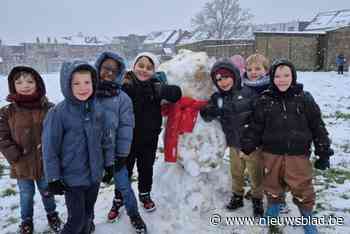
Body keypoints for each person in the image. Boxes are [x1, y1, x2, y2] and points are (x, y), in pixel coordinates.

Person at [241, 59, 334, 234]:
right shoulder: (265, 100)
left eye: (286, 75)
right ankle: (274, 208)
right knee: (272, 183)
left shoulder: (304, 99)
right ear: (271, 78)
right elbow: (256, 126)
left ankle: (307, 217)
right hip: (271, 153)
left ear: (293, 76)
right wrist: (247, 145)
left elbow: (317, 126)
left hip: (298, 155)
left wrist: (323, 152)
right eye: (277, 76)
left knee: (302, 186)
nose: (282, 80)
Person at [42, 61, 114, 234]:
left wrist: (109, 164)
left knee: (88, 214)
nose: (83, 88)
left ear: (93, 83)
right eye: (76, 83)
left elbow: (106, 139)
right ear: (67, 85)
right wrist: (53, 178)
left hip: (94, 176)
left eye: (87, 82)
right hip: (72, 178)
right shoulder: (58, 113)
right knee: (76, 220)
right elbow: (49, 148)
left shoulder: (98, 109)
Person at [0, 66, 61, 234]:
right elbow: (2, 136)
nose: (24, 85)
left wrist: (55, 155)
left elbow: (59, 133)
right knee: (26, 195)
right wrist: (13, 155)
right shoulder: (7, 111)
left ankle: (52, 215)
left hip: (45, 163)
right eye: (18, 82)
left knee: (47, 192)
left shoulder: (49, 108)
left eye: (29, 81)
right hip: (21, 164)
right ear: (13, 86)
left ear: (38, 83)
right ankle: (26, 221)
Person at [199, 58, 263, 217]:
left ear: (234, 76)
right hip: (234, 144)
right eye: (218, 79)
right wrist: (210, 112)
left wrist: (253, 137)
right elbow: (206, 114)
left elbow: (259, 117)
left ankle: (257, 198)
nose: (223, 82)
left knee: (256, 173)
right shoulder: (218, 98)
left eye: (226, 77)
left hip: (252, 144)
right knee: (236, 172)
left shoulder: (248, 93)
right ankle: (237, 196)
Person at [120, 52, 181, 212]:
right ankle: (119, 198)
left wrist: (160, 89)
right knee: (124, 170)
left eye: (149, 68)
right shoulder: (125, 85)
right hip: (127, 139)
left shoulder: (156, 86)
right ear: (134, 66)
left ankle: (144, 194)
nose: (144, 70)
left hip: (149, 138)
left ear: (154, 71)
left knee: (146, 168)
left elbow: (177, 94)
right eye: (140, 66)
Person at [95, 51, 147, 233]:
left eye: (114, 70)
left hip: (115, 154)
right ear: (98, 68)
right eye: (105, 68)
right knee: (89, 191)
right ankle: (85, 219)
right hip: (92, 155)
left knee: (124, 186)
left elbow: (126, 128)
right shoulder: (88, 93)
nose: (109, 72)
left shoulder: (122, 98)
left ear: (119, 73)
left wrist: (122, 155)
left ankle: (134, 214)